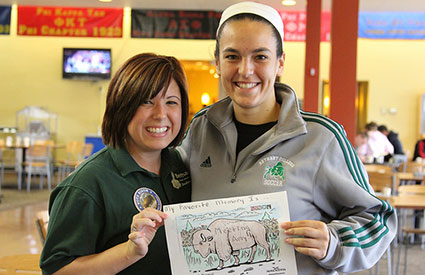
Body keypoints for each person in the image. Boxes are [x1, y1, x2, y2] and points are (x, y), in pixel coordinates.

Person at [177, 2, 396, 274]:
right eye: (232, 56)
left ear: (280, 62)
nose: (245, 70)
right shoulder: (199, 129)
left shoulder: (321, 137)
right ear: (218, 63)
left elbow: (377, 220)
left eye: (260, 57)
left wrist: (333, 242)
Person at [40, 53, 191, 274]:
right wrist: (129, 252)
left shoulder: (181, 165)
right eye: (146, 101)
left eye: (171, 102)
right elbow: (57, 270)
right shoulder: (88, 184)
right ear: (122, 107)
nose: (161, 114)